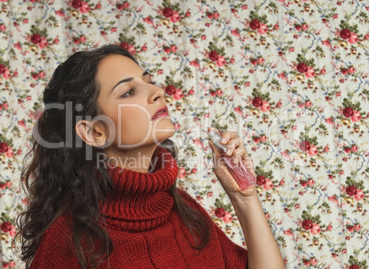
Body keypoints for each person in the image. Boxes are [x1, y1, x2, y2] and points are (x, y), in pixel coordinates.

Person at [14, 44, 285, 269]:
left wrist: (244, 198)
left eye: (148, 81)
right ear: (95, 131)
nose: (157, 92)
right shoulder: (66, 242)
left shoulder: (184, 212)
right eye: (129, 91)